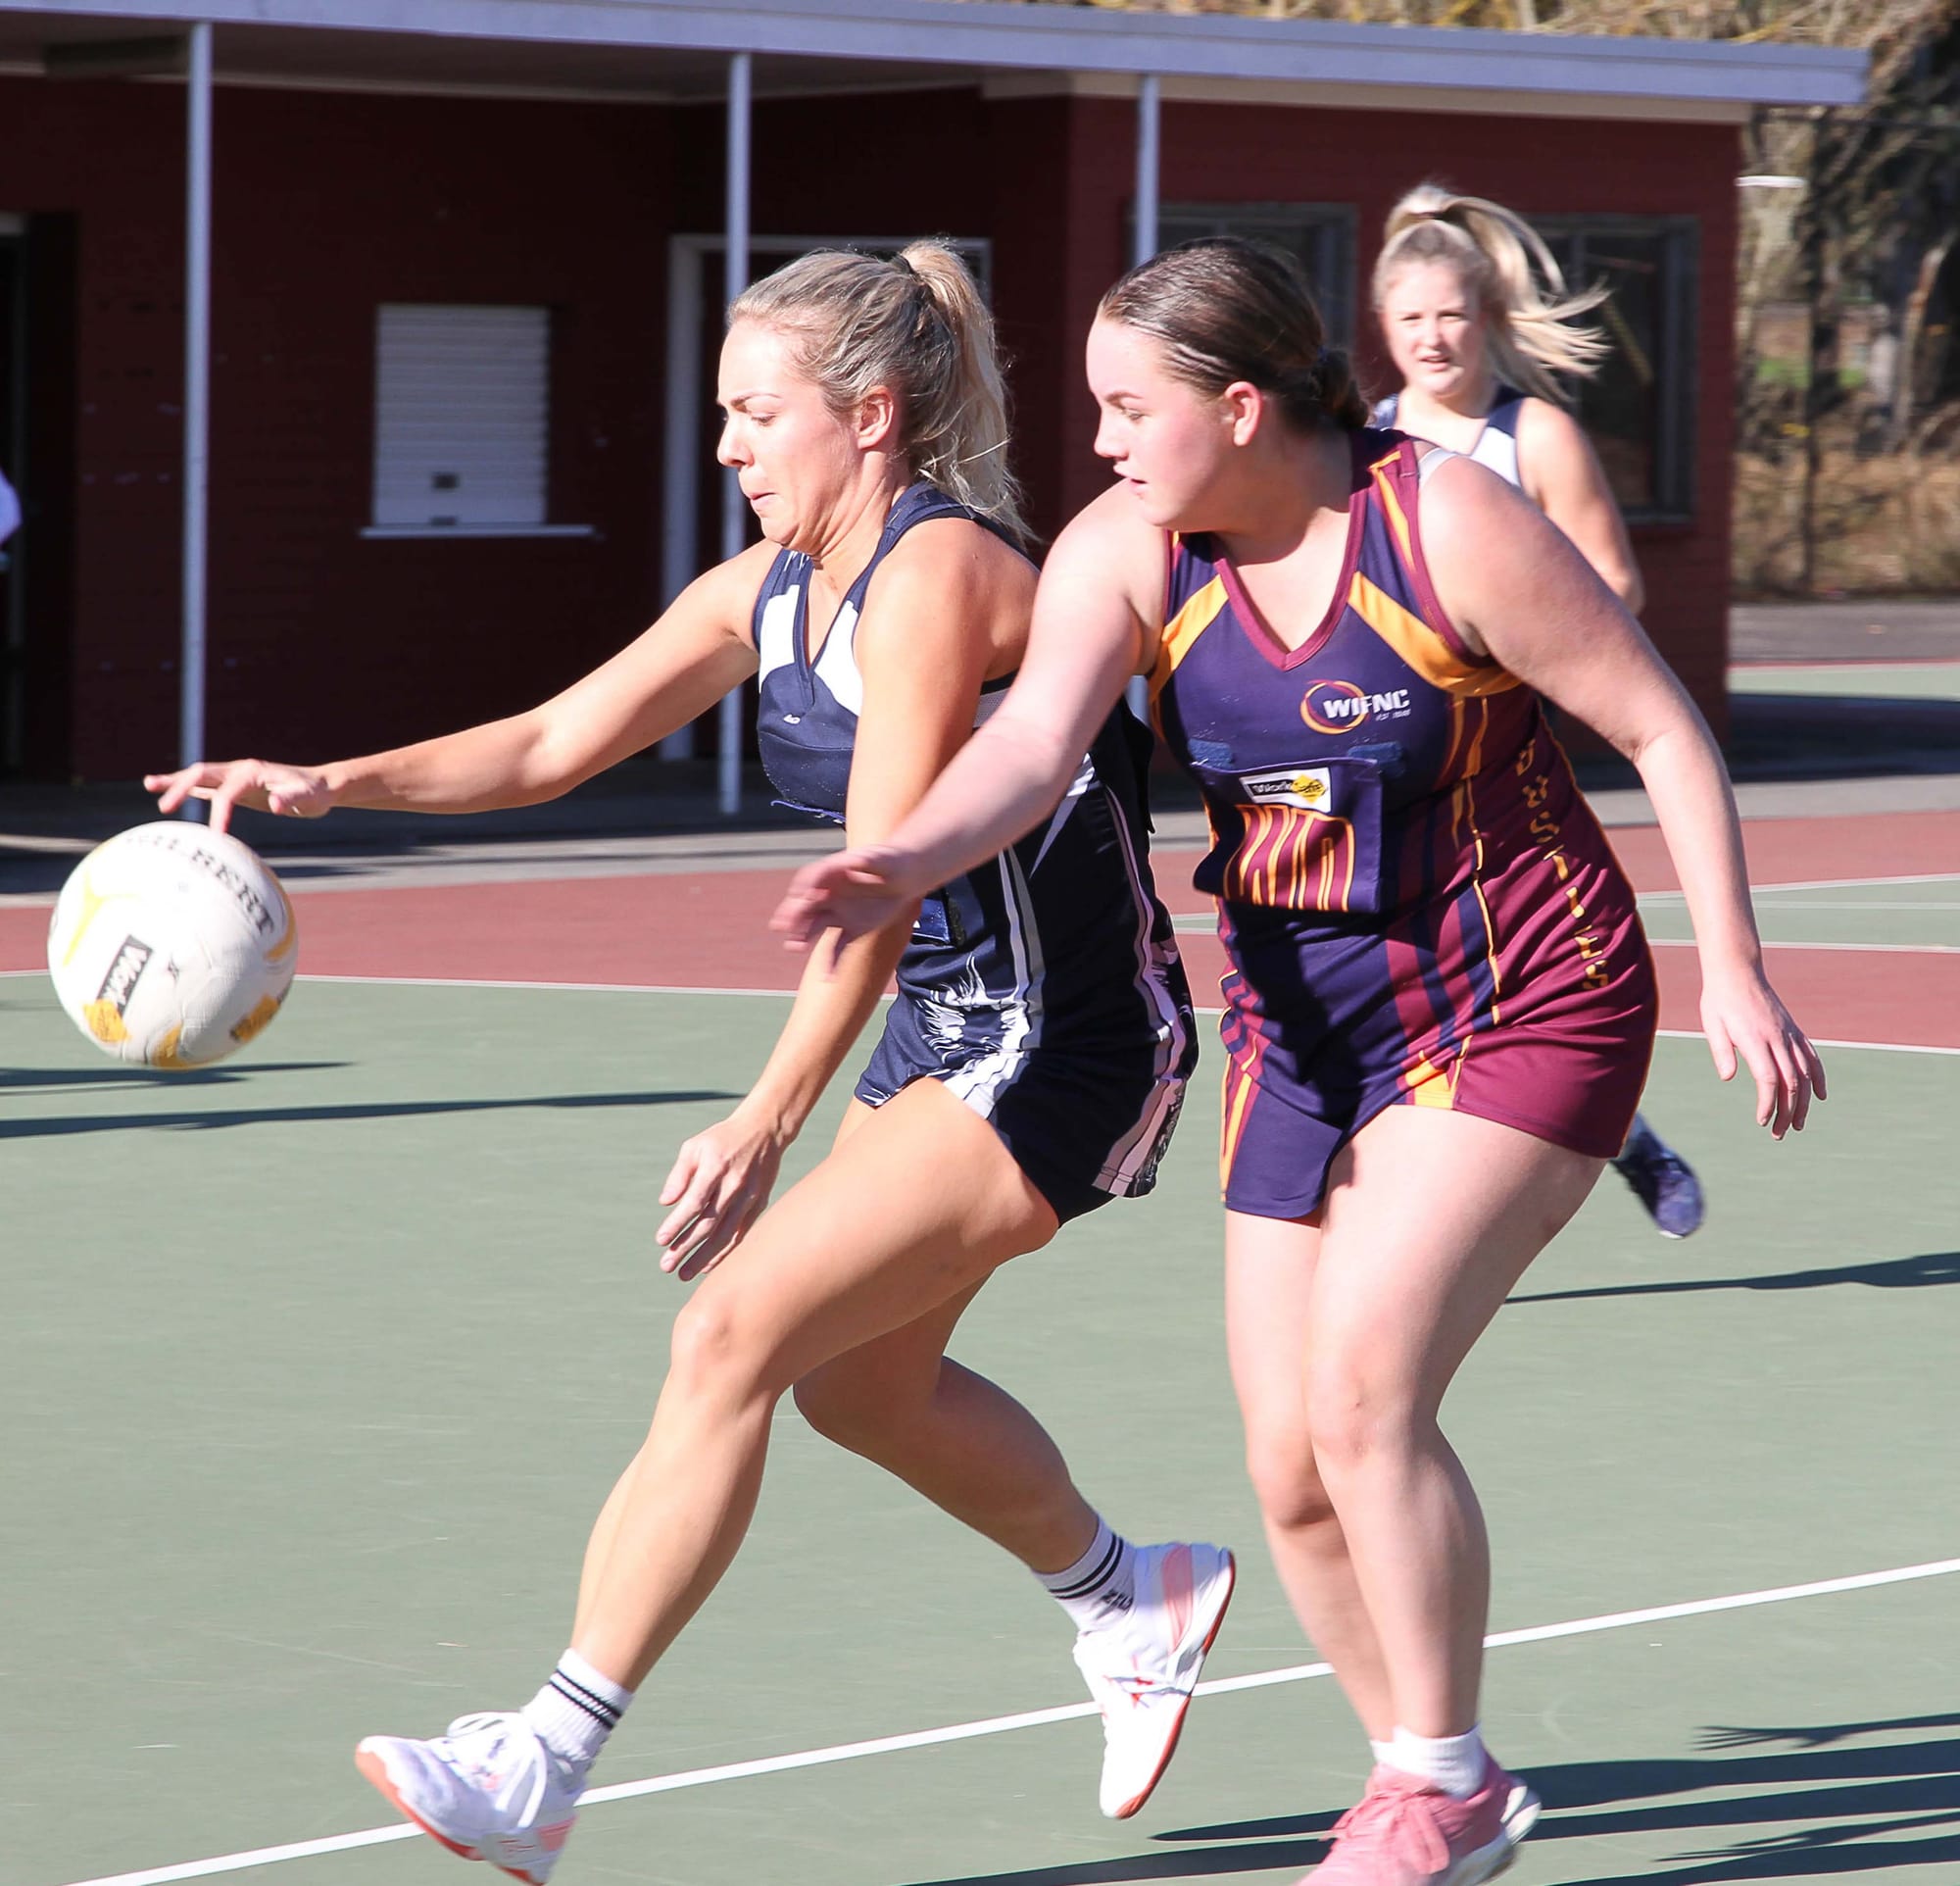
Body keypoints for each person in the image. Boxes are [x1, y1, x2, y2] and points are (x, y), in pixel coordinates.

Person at [145, 243, 1231, 1883]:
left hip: (1067, 1030)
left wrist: (765, 1116)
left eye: (754, 412)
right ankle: (1126, 1590)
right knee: (857, 1383)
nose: (728, 446)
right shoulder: (767, 591)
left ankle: (545, 1756)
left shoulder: (935, 577)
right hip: (951, 1031)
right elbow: (548, 743)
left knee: (730, 1327)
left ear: (868, 415)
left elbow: (887, 880)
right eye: (723, 413)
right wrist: (325, 778)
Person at [774, 236, 1824, 1886]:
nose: (1104, 442)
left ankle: (1443, 1777)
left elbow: (1663, 726)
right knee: (1288, 1456)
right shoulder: (1130, 551)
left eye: (1132, 407)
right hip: (1299, 1020)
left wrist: (1738, 971)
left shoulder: (1444, 524)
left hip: (1523, 993)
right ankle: (1415, 1774)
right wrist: (907, 857)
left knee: (1364, 1389)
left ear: (1242, 407)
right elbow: (1037, 744)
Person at [1368, 182, 1705, 1239]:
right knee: (1397, 985)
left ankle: (1616, 1137)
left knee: (1518, 978)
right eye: (1411, 317)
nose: (1432, 336)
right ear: (1383, 327)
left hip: (1498, 761)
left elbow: (1615, 581)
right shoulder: (1359, 438)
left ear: (1486, 319)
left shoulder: (1533, 434)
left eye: (1450, 315)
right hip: (1380, 755)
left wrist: (1497, 630)